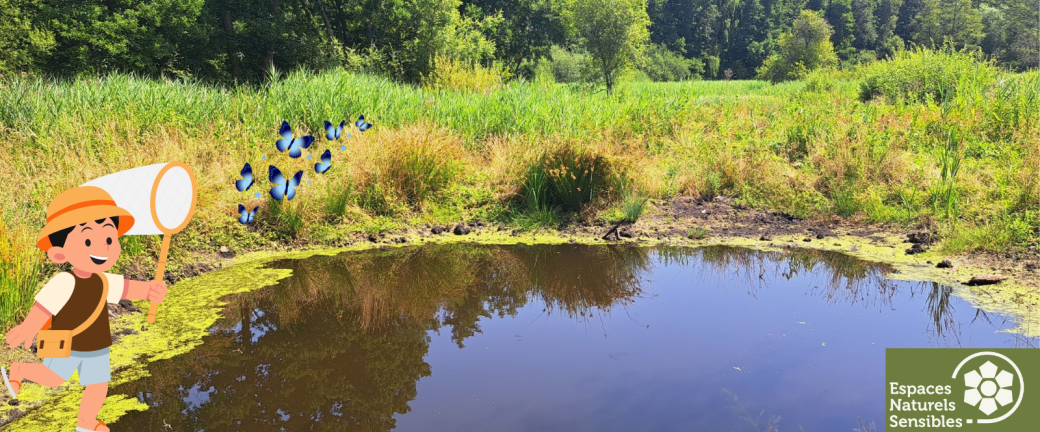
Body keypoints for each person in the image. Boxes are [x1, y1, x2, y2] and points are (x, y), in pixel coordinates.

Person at [2, 186, 167, 432]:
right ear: (59, 253)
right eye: (88, 240)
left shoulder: (103, 280)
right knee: (53, 378)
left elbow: (127, 289)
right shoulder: (65, 280)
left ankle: (86, 423)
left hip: (97, 344)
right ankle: (19, 369)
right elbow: (44, 307)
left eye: (109, 239)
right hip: (65, 343)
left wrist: (149, 290)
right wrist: (28, 327)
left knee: (98, 384)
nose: (103, 247)